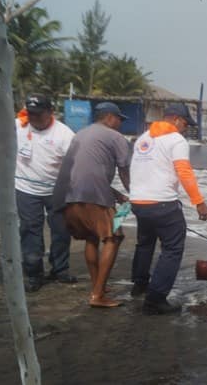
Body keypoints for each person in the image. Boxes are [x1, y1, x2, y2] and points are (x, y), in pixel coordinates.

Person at [129, 103, 207, 315]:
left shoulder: (144, 138)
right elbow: (184, 172)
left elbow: (136, 168)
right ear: (175, 119)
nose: (185, 127)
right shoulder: (176, 140)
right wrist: (198, 201)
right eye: (184, 123)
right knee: (173, 248)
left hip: (138, 201)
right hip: (162, 203)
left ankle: (139, 285)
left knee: (145, 243)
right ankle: (155, 299)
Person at [52, 102, 131, 307]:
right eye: (119, 119)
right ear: (109, 117)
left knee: (91, 237)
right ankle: (98, 295)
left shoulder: (80, 134)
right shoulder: (116, 137)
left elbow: (85, 170)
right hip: (94, 195)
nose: (120, 124)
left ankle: (98, 286)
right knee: (113, 238)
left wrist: (117, 194)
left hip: (68, 194)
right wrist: (137, 193)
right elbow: (124, 170)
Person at [15, 94, 77, 292]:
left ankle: (60, 269)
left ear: (50, 113)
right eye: (31, 114)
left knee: (60, 230)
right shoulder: (18, 126)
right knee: (30, 230)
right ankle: (34, 274)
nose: (34, 119)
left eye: (39, 115)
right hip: (25, 188)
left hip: (56, 190)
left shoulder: (64, 135)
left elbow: (75, 166)